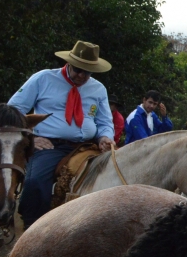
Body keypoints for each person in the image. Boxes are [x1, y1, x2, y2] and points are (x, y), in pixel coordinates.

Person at [7, 40, 115, 227]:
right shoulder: (43, 79)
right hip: (49, 144)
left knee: (114, 178)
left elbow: (105, 121)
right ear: (68, 64)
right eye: (78, 70)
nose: (82, 75)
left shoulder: (98, 88)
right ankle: (32, 227)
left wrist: (105, 137)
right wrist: (31, 136)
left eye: (87, 72)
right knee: (36, 182)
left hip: (85, 146)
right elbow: (14, 110)